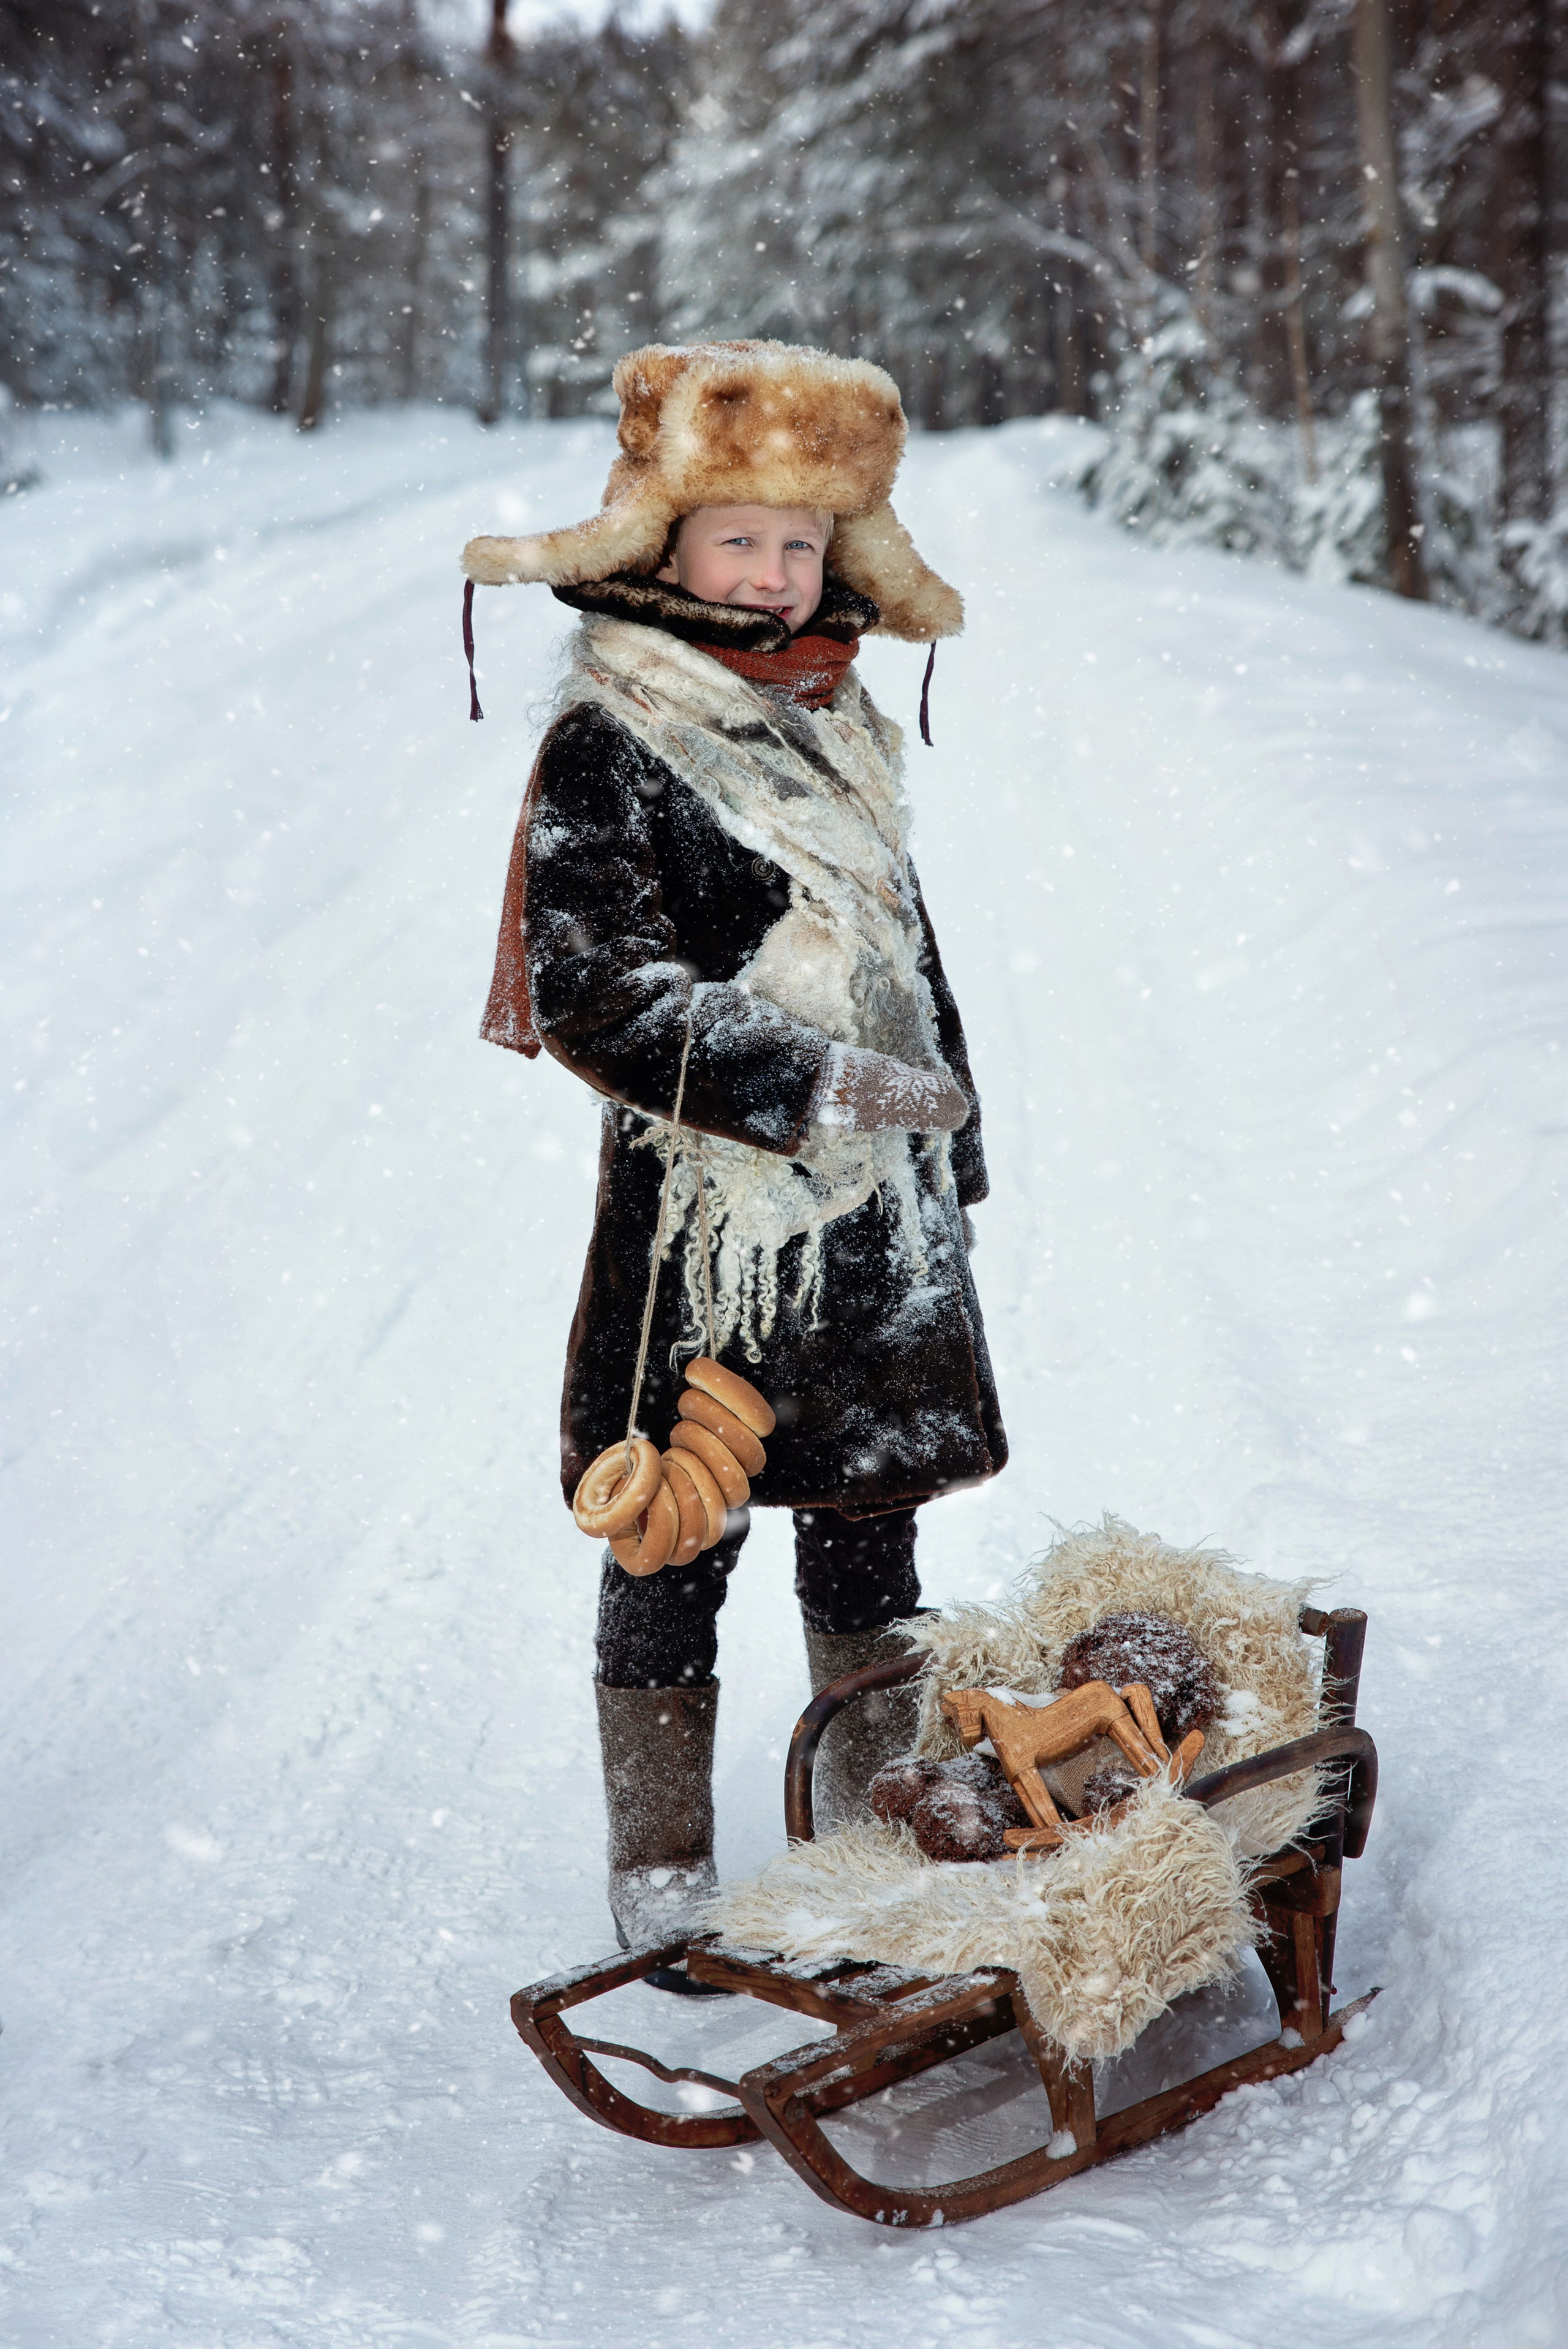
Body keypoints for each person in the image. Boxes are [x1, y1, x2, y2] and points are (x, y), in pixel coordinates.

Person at [465, 340, 1006, 1980]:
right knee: (672, 1528)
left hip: (868, 1231)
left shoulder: (834, 708)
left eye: (800, 542)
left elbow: (895, 944)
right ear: (668, 547)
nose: (774, 573)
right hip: (706, 1219)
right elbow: (596, 987)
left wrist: (946, 1142)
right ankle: (666, 1879)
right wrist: (820, 1076)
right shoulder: (615, 736)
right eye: (739, 540)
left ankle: (869, 1850)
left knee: (866, 1528)